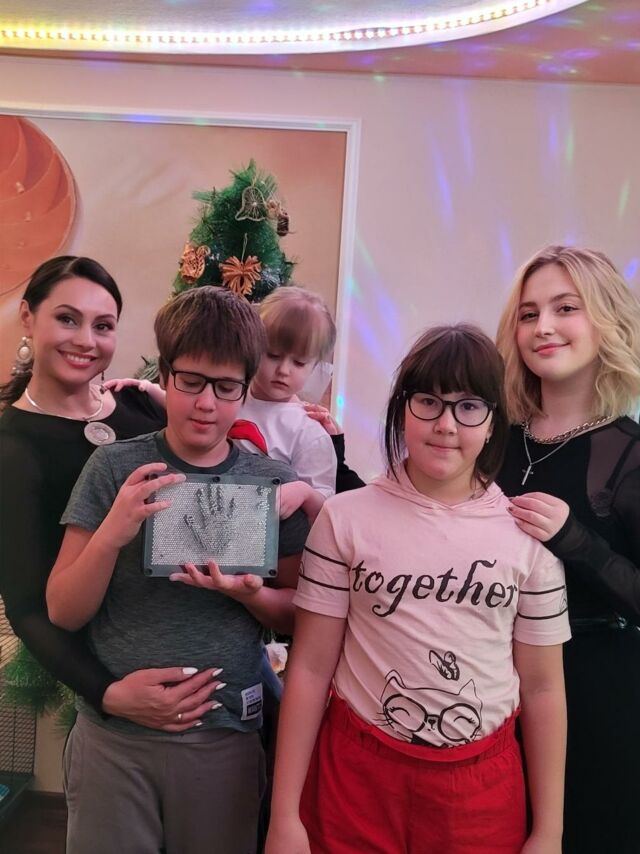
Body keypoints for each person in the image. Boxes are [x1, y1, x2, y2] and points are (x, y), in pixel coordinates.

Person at [266, 324, 570, 854]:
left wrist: (549, 832)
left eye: (469, 406)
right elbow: (311, 667)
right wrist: (284, 816)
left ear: (493, 420)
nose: (446, 424)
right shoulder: (344, 519)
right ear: (402, 409)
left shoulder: (528, 539)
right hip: (354, 782)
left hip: (480, 795)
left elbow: (543, 689)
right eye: (428, 401)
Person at [46, 285, 309, 854]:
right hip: (114, 744)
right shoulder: (114, 467)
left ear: (246, 389)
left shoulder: (270, 483)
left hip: (224, 742)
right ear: (165, 375)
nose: (206, 403)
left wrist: (249, 595)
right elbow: (63, 610)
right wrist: (112, 533)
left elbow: (299, 615)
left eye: (226, 387)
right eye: (190, 381)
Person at [0, 256, 218, 730]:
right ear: (28, 317)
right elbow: (26, 606)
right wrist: (107, 693)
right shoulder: (12, 448)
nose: (86, 340)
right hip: (117, 676)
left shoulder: (144, 402)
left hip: (201, 642)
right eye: (67, 319)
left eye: (103, 326)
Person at [496, 245, 640, 854]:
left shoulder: (629, 454)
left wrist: (574, 540)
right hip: (492, 693)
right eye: (529, 314)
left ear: (605, 319)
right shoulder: (493, 439)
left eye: (565, 308)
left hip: (598, 702)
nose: (543, 327)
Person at [235, 286, 338, 503]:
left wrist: (305, 493)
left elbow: (325, 504)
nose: (283, 370)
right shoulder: (229, 395)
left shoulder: (308, 432)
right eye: (273, 355)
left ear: (315, 366)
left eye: (299, 362)